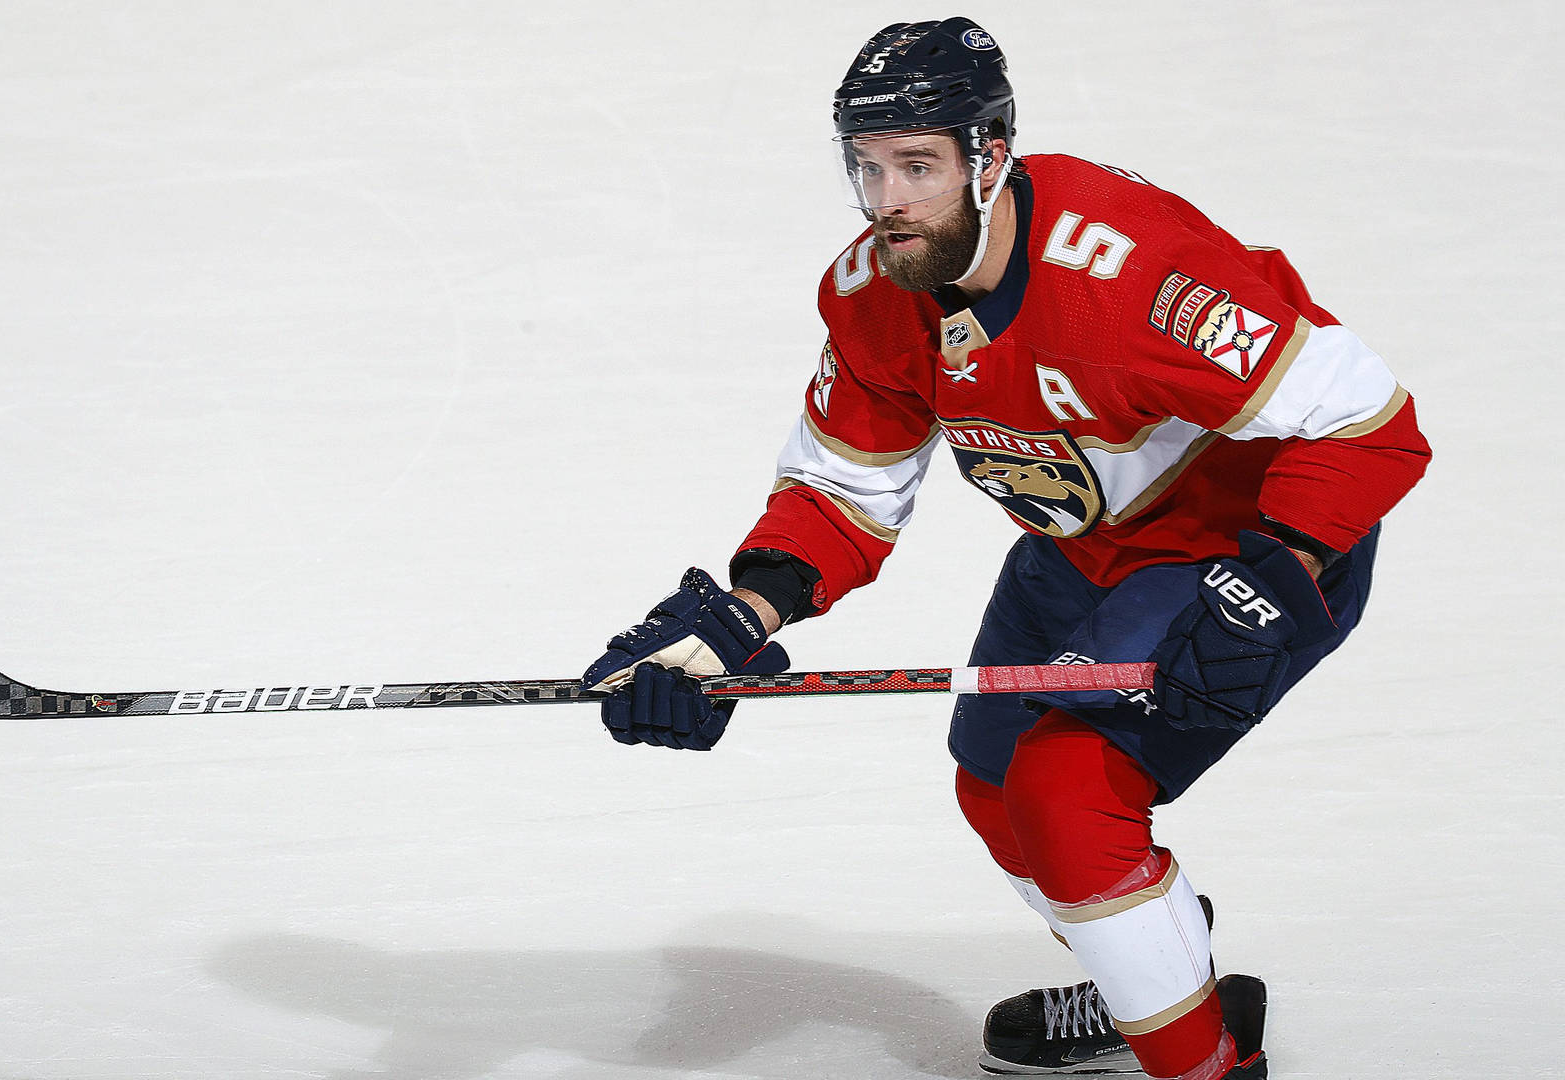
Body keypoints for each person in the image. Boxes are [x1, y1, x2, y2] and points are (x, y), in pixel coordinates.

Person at [580, 17, 1430, 1080]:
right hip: (1077, 545)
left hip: (1230, 546)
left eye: (919, 166)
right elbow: (847, 486)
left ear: (990, 156)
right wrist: (738, 621)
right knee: (991, 779)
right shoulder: (871, 294)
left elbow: (1370, 421)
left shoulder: (1133, 275)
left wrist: (1276, 572)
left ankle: (1206, 1063)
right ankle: (1152, 981)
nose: (887, 199)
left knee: (1066, 791)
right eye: (869, 166)